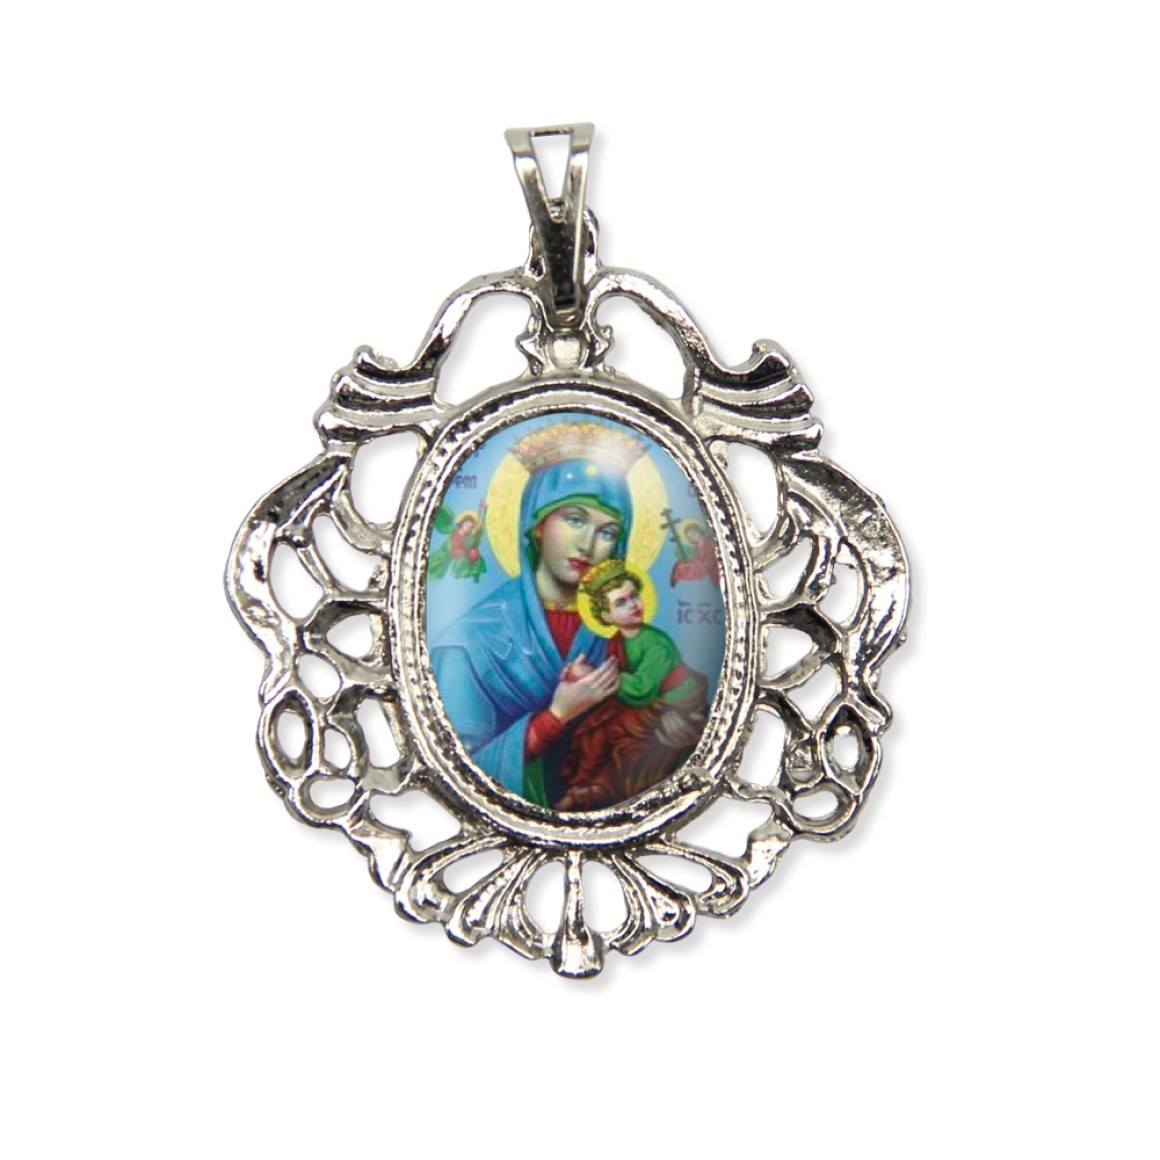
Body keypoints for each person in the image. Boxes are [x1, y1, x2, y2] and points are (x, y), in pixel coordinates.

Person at [430, 420, 646, 808]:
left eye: (608, 531)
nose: (588, 545)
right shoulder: (468, 642)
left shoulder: (625, 632)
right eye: (575, 519)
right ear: (538, 524)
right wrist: (557, 715)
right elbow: (455, 773)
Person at [555, 559, 709, 811]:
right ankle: (580, 785)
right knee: (592, 730)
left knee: (621, 736)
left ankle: (596, 792)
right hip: (637, 701)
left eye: (634, 596)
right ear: (606, 615)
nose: (633, 605)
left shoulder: (656, 643)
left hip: (670, 700)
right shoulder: (615, 641)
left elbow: (641, 689)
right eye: (621, 602)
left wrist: (592, 674)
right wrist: (577, 676)